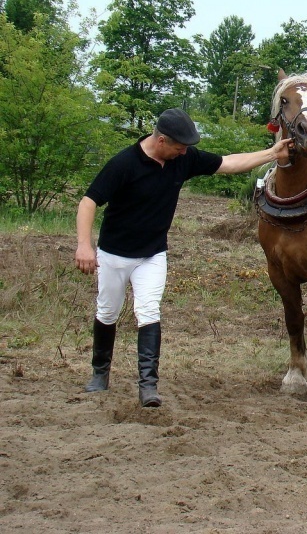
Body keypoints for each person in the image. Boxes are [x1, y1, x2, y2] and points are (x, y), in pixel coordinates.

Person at [75, 108, 292, 408]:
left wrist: (271, 153)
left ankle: (148, 386)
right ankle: (100, 374)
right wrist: (84, 246)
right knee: (108, 312)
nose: (184, 152)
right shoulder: (123, 164)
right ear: (161, 140)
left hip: (152, 255)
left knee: (148, 311)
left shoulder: (182, 159)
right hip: (113, 254)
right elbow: (88, 202)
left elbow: (228, 163)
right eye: (179, 147)